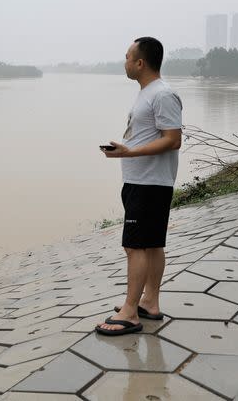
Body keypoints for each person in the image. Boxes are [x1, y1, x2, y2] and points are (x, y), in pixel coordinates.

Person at [96, 37, 183, 336]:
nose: (125, 61)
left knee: (134, 247)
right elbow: (149, 135)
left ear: (140, 63)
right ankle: (150, 303)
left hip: (147, 184)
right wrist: (125, 146)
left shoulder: (162, 95)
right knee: (153, 243)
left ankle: (130, 312)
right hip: (144, 181)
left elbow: (173, 139)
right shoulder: (148, 94)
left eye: (127, 56)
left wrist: (129, 152)